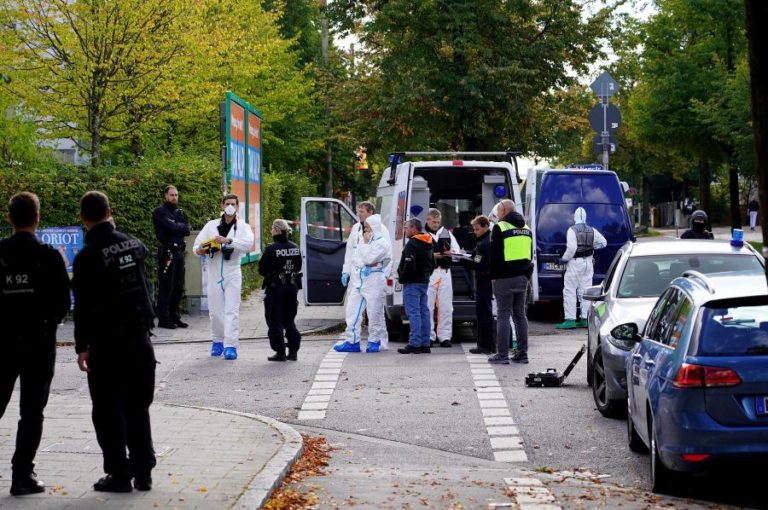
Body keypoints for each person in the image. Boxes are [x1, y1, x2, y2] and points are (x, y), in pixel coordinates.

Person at [72, 191, 157, 493]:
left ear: (83, 218)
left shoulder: (85, 258)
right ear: (109, 211)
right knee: (138, 407)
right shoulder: (135, 244)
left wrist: (81, 345)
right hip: (140, 339)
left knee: (108, 411)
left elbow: (81, 306)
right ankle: (144, 471)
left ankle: (120, 474)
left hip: (107, 344)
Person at [0, 192, 70, 496]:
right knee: (32, 411)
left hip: (2, 341)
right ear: (37, 218)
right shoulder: (49, 256)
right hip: (39, 343)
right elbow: (62, 304)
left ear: (10, 218)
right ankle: (21, 474)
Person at [193, 194, 254, 360]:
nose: (230, 206)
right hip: (213, 272)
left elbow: (248, 244)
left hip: (232, 272)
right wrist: (201, 249)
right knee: (215, 310)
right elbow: (196, 246)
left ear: (237, 207)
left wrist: (228, 240)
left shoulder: (242, 226)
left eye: (233, 204)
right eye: (227, 203)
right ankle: (217, 341)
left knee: (231, 309)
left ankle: (230, 345)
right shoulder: (211, 225)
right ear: (222, 206)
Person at [334, 214, 392, 353]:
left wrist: (368, 258)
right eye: (364, 227)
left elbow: (367, 258)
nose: (365, 230)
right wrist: (349, 270)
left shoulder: (382, 243)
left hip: (374, 281)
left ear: (375, 228)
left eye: (367, 227)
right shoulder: (362, 238)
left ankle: (374, 341)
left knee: (374, 313)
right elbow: (356, 258)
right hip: (358, 280)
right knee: (352, 311)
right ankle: (352, 341)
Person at [488, 199, 532, 365]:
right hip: (522, 278)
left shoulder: (500, 227)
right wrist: (527, 276)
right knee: (520, 315)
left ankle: (502, 354)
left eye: (498, 210)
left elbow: (495, 256)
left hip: (504, 279)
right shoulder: (527, 229)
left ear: (504, 210)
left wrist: (493, 276)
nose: (497, 214)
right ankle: (522, 354)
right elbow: (530, 254)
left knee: (503, 315)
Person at [555, 207, 607, 330]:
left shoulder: (571, 230)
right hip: (588, 262)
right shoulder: (592, 230)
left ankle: (570, 319)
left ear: (574, 217)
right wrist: (592, 247)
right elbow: (604, 243)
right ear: (585, 217)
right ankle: (585, 318)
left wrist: (564, 259)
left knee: (570, 290)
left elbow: (572, 249)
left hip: (575, 262)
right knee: (585, 291)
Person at [259, 219, 302, 362]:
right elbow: (299, 266)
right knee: (289, 320)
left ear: (277, 230)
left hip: (275, 289)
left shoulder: (271, 249)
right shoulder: (295, 247)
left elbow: (262, 269)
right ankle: (293, 351)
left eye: (272, 229)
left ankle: (280, 351)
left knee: (275, 320)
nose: (271, 231)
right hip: (292, 288)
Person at [152, 185, 191, 329]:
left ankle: (175, 316)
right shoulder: (159, 212)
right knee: (166, 286)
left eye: (176, 195)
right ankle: (164, 318)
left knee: (179, 286)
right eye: (172, 195)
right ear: (165, 196)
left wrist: (176, 226)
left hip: (179, 252)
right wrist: (177, 227)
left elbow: (187, 230)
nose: (174, 198)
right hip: (167, 253)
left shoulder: (180, 213)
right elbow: (170, 228)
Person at [397, 218, 435, 354]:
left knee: (413, 313)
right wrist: (425, 276)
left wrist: (401, 278)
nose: (406, 230)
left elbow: (409, 265)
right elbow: (433, 263)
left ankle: (414, 344)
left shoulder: (412, 244)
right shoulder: (428, 242)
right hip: (424, 282)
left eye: (407, 228)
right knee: (424, 312)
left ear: (414, 229)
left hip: (412, 283)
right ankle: (425, 343)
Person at [426, 208, 461, 348]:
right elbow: (418, 254)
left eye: (438, 222)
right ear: (427, 220)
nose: (436, 224)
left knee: (446, 306)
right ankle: (428, 336)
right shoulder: (423, 234)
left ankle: (445, 336)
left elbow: (457, 251)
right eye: (433, 221)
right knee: (427, 306)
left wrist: (451, 252)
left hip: (445, 272)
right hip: (429, 273)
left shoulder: (447, 233)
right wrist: (432, 256)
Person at [466, 215, 495, 355]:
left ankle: (485, 345)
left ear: (485, 227)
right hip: (487, 280)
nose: (475, 232)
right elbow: (476, 257)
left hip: (484, 281)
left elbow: (478, 262)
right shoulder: (485, 240)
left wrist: (463, 260)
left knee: (484, 314)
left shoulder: (484, 243)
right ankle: (486, 344)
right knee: (485, 313)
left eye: (477, 229)